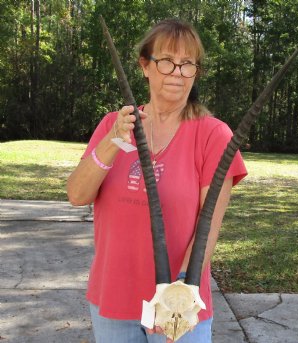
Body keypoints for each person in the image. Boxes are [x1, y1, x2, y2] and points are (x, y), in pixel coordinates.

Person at [67, 18, 247, 343]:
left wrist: (177, 294)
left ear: (196, 72)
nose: (177, 72)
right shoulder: (114, 124)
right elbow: (78, 194)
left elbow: (208, 229)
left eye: (187, 64)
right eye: (166, 61)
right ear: (145, 65)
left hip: (178, 300)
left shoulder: (213, 135)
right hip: (113, 297)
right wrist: (113, 141)